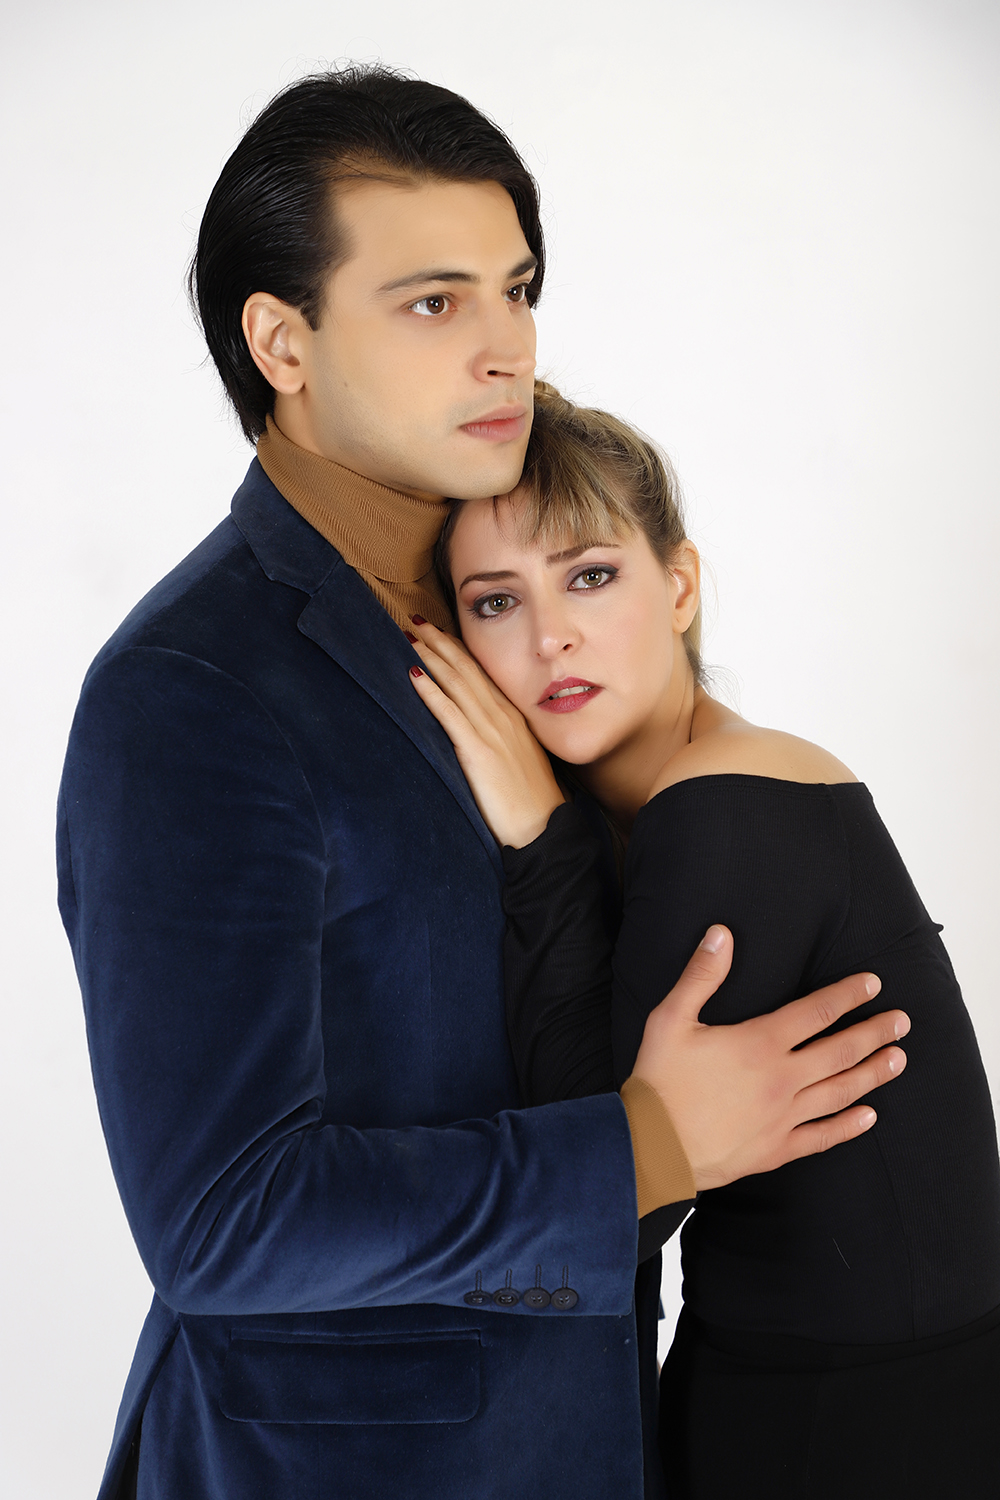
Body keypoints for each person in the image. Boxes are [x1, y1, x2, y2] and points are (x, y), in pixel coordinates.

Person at [57, 70, 909, 1500]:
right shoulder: (188, 692)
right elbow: (222, 1222)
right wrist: (645, 1149)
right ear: (282, 341)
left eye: (516, 291)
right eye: (433, 302)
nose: (506, 346)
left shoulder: (522, 610)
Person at [407, 383, 1000, 1499]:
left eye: (590, 576)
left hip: (868, 1426)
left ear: (678, 586)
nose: (548, 635)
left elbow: (611, 1189)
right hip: (768, 1386)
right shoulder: (658, 809)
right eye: (495, 602)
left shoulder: (728, 801)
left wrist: (540, 840)